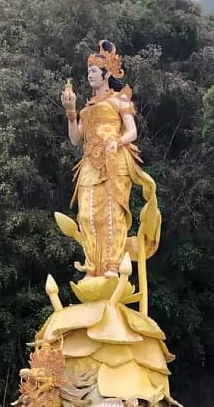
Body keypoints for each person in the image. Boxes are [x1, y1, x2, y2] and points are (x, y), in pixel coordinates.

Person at [59, 40, 161, 279]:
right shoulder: (86, 108)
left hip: (115, 160)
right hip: (90, 163)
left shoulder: (119, 100)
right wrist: (71, 112)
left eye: (94, 71)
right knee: (87, 215)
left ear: (106, 74)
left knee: (112, 214)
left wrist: (118, 141)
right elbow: (75, 139)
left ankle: (113, 265)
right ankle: (93, 266)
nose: (90, 75)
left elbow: (132, 131)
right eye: (88, 71)